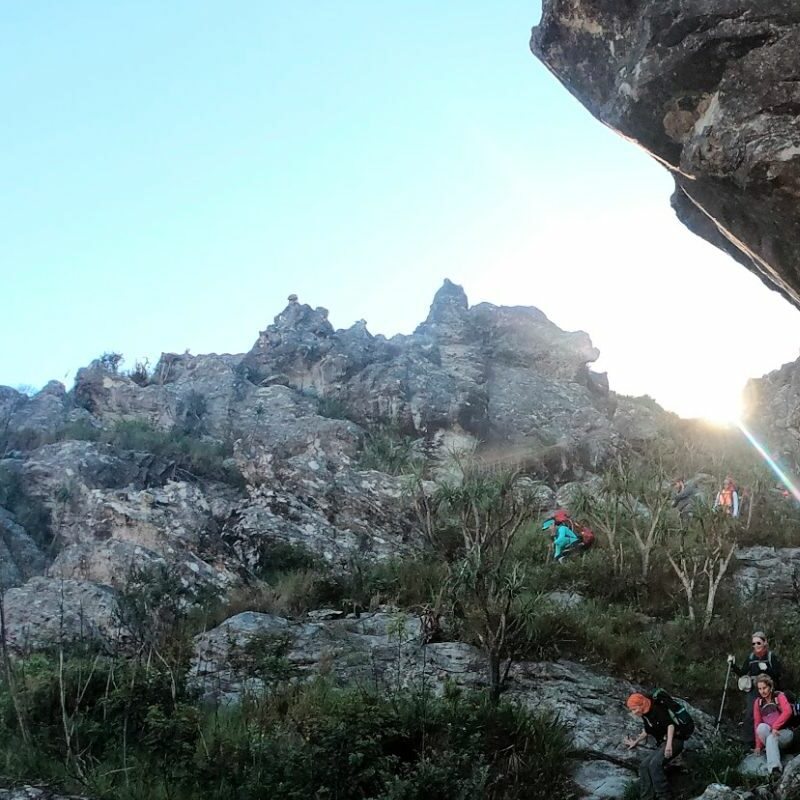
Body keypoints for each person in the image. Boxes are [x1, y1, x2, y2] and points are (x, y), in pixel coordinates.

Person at [624, 691, 692, 800]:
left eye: (634, 709)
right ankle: (646, 797)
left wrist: (669, 746)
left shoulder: (657, 709)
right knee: (644, 766)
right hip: (664, 742)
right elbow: (648, 730)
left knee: (655, 764)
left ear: (641, 705)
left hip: (675, 740)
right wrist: (635, 742)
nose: (633, 712)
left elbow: (670, 726)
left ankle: (664, 796)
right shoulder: (646, 714)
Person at [728, 632, 783, 747]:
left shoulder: (770, 657)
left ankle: (773, 740)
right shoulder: (751, 657)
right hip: (754, 689)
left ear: (764, 642)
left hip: (769, 690)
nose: (756, 646)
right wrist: (732, 665)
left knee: (770, 713)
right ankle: (750, 743)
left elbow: (778, 674)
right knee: (750, 714)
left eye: (758, 643)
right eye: (753, 643)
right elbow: (743, 673)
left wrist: (767, 669)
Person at [753, 674, 793, 775]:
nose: (762, 691)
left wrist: (775, 727)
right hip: (772, 734)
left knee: (771, 737)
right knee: (761, 728)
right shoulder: (758, 702)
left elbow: (788, 711)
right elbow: (757, 722)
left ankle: (775, 769)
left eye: (764, 688)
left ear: (770, 687)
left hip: (785, 733)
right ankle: (773, 751)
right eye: (760, 689)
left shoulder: (779, 696)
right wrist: (758, 746)